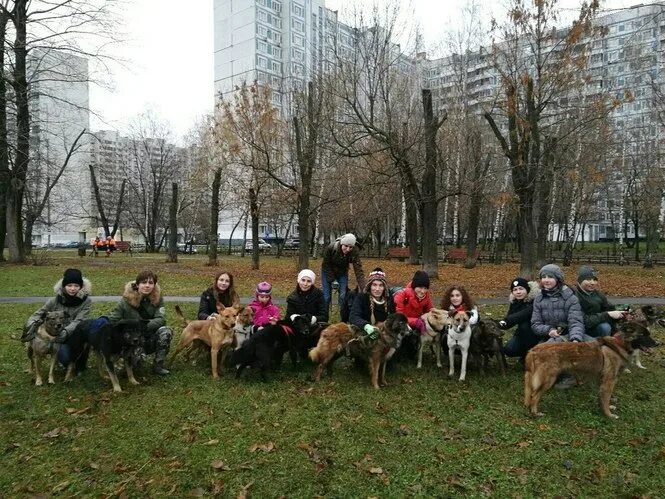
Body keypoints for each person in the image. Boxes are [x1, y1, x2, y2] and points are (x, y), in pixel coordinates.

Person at [24, 268, 92, 370]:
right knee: (65, 359)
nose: (72, 289)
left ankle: (81, 361)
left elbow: (79, 320)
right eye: (69, 285)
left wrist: (65, 331)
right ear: (64, 286)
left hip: (74, 335)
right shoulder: (54, 300)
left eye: (76, 286)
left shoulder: (86, 301)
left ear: (81, 287)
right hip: (56, 336)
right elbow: (38, 314)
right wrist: (31, 324)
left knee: (71, 356)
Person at [107, 270, 172, 375]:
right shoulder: (125, 300)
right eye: (144, 282)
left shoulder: (158, 299)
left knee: (166, 331)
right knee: (135, 365)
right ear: (137, 285)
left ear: (154, 285)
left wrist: (142, 326)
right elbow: (113, 320)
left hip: (148, 336)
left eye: (150, 283)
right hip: (132, 340)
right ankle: (124, 359)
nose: (147, 286)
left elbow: (161, 319)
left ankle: (158, 365)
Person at [531, 264, 588, 343]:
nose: (546, 280)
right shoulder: (539, 298)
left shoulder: (570, 298)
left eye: (550, 277)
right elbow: (536, 324)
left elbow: (576, 322)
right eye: (544, 277)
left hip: (570, 335)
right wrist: (549, 330)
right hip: (548, 337)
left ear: (558, 279)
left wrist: (575, 339)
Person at [574, 265, 625, 337]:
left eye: (594, 280)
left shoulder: (598, 294)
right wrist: (608, 315)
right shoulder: (574, 296)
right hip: (580, 329)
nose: (592, 283)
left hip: (596, 325)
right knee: (605, 327)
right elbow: (585, 321)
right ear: (579, 281)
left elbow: (609, 308)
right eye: (588, 279)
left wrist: (621, 312)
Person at [498, 277, 541, 362]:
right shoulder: (515, 302)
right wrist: (498, 324)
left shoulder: (536, 300)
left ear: (527, 289)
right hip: (522, 334)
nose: (518, 292)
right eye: (515, 290)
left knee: (524, 325)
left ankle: (530, 356)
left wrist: (506, 320)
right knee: (509, 350)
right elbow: (509, 322)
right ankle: (525, 354)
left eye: (521, 289)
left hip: (538, 333)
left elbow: (523, 314)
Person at [321, 233, 365, 311]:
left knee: (343, 295)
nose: (348, 249)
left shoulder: (354, 252)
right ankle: (324, 317)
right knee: (326, 296)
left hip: (342, 273)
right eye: (346, 246)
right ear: (342, 244)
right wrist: (333, 280)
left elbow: (358, 271)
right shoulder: (331, 248)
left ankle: (343, 315)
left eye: (351, 247)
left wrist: (364, 288)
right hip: (327, 271)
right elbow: (325, 265)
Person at [349, 267, 395, 339]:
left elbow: (393, 316)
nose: (377, 289)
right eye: (374, 285)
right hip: (363, 333)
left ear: (384, 287)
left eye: (381, 285)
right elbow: (354, 316)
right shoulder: (362, 297)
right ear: (370, 286)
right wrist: (366, 326)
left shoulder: (389, 298)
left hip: (384, 333)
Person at [394, 270, 433, 335]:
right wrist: (416, 321)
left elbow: (430, 311)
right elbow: (398, 317)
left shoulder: (426, 297)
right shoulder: (401, 295)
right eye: (420, 287)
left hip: (416, 329)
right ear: (414, 286)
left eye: (425, 288)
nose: (423, 291)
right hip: (400, 329)